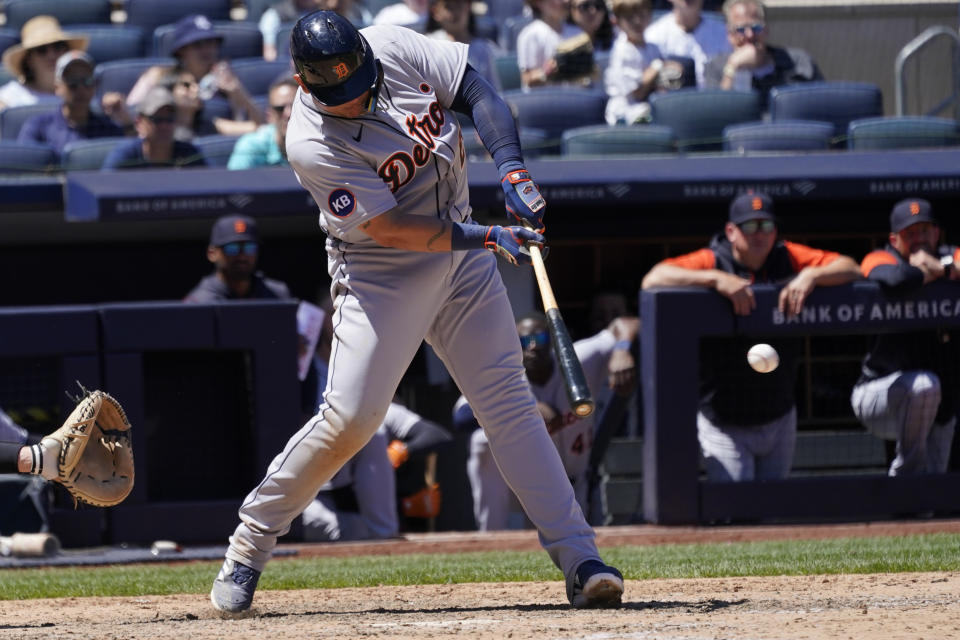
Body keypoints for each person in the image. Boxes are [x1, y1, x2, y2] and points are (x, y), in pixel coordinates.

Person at [210, 10, 624, 614]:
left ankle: (581, 557)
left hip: (462, 248)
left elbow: (478, 90)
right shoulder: (310, 141)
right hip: (382, 270)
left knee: (508, 401)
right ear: (306, 84)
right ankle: (248, 546)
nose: (359, 99)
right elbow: (391, 227)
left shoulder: (391, 46)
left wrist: (510, 164)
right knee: (352, 418)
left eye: (363, 83)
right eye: (342, 95)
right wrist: (483, 235)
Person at [641, 193, 861, 483]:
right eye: (750, 226)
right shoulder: (712, 259)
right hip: (723, 417)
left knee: (770, 513)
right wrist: (714, 279)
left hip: (779, 413)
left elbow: (851, 267)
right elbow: (654, 278)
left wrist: (812, 275)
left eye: (766, 226)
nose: (760, 234)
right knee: (734, 508)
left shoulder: (789, 256)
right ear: (731, 231)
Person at [454, 312, 639, 530]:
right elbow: (461, 417)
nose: (531, 346)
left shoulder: (578, 360)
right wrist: (525, 408)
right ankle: (491, 535)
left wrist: (622, 348)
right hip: (523, 486)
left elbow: (627, 322)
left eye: (539, 339)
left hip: (574, 481)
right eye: (523, 341)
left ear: (551, 341)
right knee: (480, 441)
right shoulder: (505, 377)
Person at [850, 198, 959, 477]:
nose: (919, 239)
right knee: (924, 386)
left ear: (937, 233)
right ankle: (903, 481)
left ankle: (917, 507)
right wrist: (934, 272)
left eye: (925, 230)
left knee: (934, 490)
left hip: (941, 401)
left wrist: (942, 268)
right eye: (910, 233)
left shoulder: (949, 255)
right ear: (894, 239)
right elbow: (894, 279)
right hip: (881, 394)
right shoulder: (882, 255)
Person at [302, 401, 452, 541]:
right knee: (359, 530)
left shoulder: (379, 408)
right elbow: (341, 495)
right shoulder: (323, 410)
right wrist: (405, 506)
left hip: (349, 507)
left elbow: (437, 435)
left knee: (367, 531)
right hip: (311, 503)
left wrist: (400, 452)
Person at [115, 15, 264, 137]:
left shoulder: (228, 83)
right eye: (198, 45)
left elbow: (260, 127)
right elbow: (133, 113)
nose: (207, 50)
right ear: (181, 51)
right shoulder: (158, 75)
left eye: (211, 43)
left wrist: (237, 91)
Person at [702, 0, 822, 107]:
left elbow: (822, 103)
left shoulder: (798, 62)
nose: (749, 35)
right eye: (741, 29)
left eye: (756, 28)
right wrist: (732, 67)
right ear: (729, 34)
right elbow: (715, 112)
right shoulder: (714, 68)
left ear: (766, 30)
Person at [16, 51, 126, 160]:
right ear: (57, 87)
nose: (81, 89)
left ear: (95, 85)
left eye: (87, 81)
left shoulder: (109, 128)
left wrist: (127, 122)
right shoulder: (38, 127)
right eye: (72, 83)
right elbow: (24, 165)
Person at [184, 215, 291, 302]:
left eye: (249, 248)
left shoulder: (278, 294)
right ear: (212, 253)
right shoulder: (199, 301)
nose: (242, 256)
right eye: (232, 248)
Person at [101, 87, 207, 170]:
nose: (164, 126)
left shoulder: (190, 155)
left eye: (170, 119)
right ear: (139, 123)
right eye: (157, 120)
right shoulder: (125, 156)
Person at [0, 16, 88, 110]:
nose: (51, 55)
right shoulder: (8, 98)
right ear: (29, 61)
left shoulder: (85, 89)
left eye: (57, 47)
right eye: (41, 50)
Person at [644, 0, 730, 88]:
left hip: (716, 98)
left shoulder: (724, 34)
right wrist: (661, 65)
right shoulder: (652, 35)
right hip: (673, 99)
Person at [603, 0, 664, 125]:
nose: (637, 21)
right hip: (625, 115)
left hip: (647, 108)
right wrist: (657, 66)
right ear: (617, 22)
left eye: (642, 15)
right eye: (629, 17)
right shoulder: (623, 50)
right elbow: (637, 93)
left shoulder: (653, 47)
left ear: (650, 16)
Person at [426, 0, 503, 90]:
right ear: (436, 12)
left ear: (468, 7)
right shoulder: (429, 45)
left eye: (458, 6)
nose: (454, 13)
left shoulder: (483, 48)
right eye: (448, 7)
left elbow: (494, 91)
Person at [227, 77, 299, 170]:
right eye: (279, 109)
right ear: (270, 116)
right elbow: (234, 183)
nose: (288, 114)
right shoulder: (251, 147)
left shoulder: (320, 142)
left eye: (295, 107)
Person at [516, 0, 589, 89]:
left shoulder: (578, 33)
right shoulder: (530, 35)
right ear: (539, 3)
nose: (565, 2)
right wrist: (547, 72)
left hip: (575, 98)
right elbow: (527, 78)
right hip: (545, 100)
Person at [570, 0, 615, 76]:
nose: (593, 11)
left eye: (598, 6)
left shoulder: (616, 41)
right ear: (571, 9)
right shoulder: (558, 40)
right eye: (585, 6)